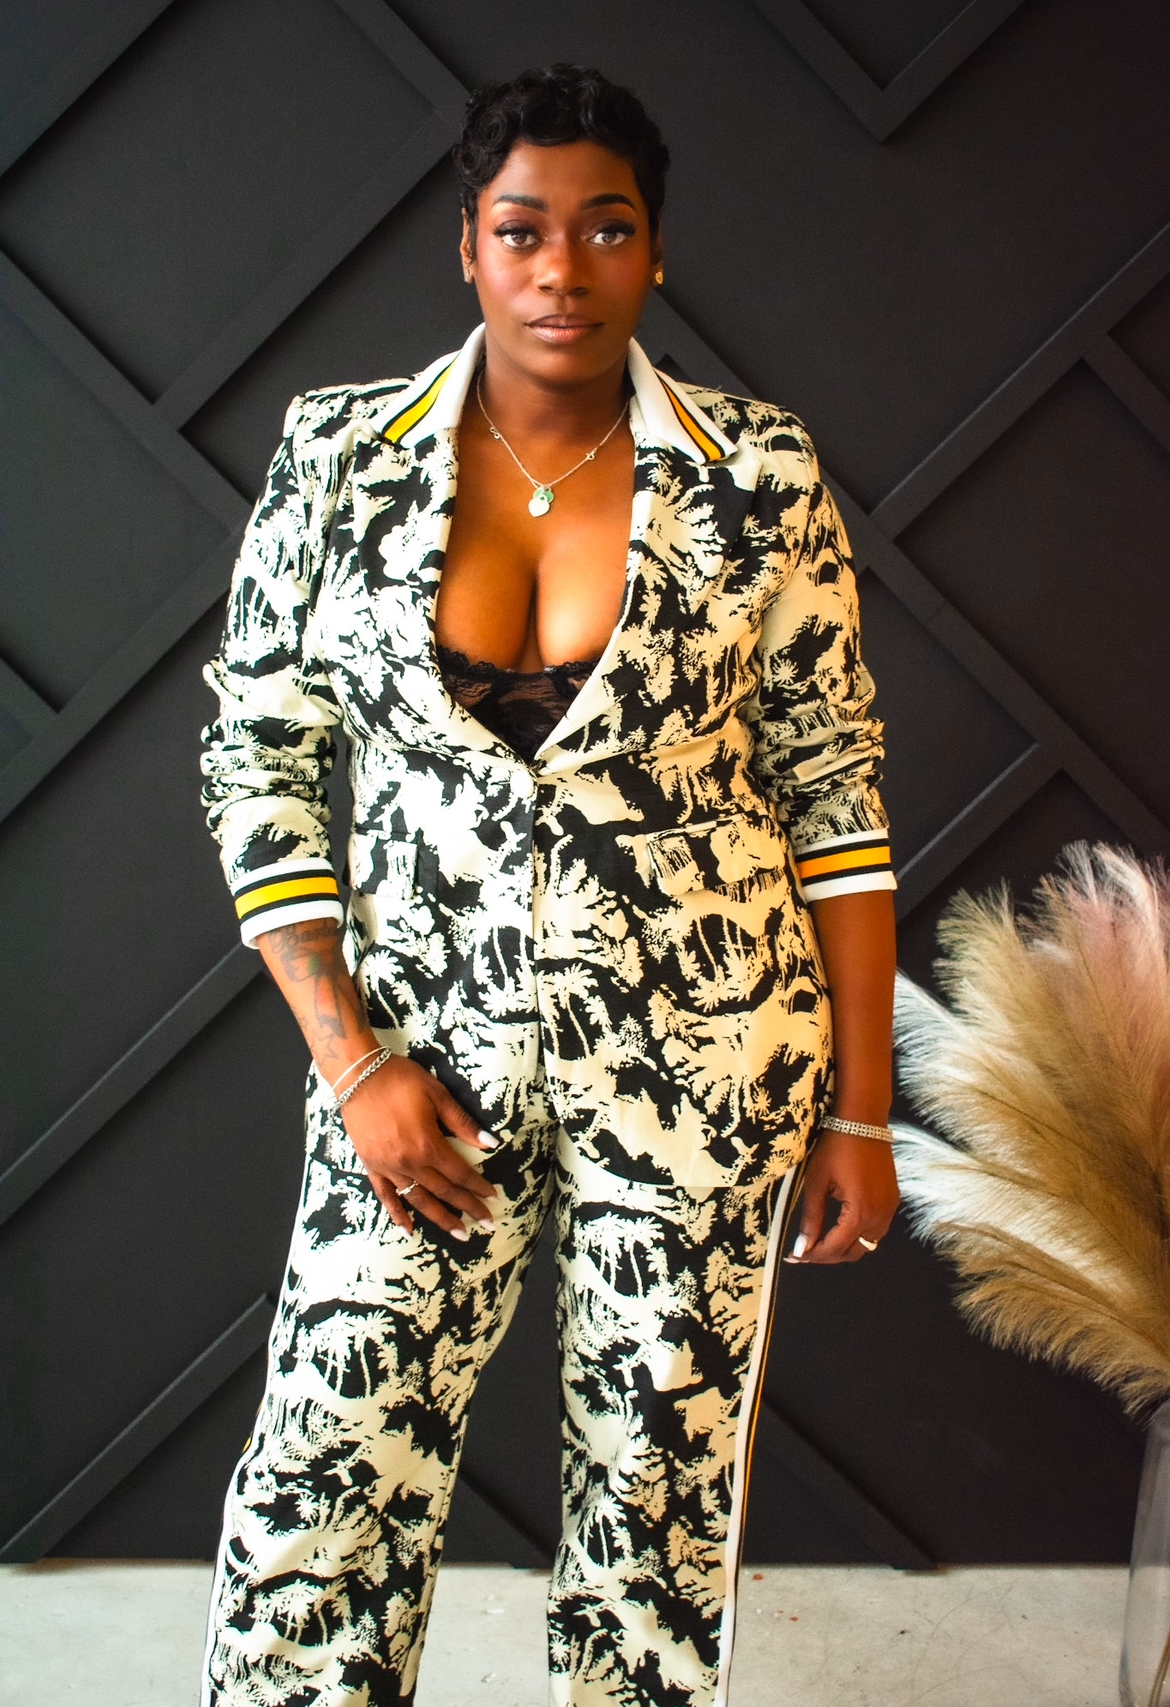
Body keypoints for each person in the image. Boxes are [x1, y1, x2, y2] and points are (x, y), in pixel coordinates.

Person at [198, 62, 899, 1707]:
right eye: (521, 230)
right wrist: (352, 1060)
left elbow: (834, 789)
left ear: (654, 250)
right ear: (467, 246)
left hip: (704, 1062)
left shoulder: (757, 474)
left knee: (655, 1505)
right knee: (326, 1476)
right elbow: (259, 763)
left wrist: (859, 1109)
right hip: (415, 1066)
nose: (560, 269)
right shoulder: (336, 458)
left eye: (605, 229)